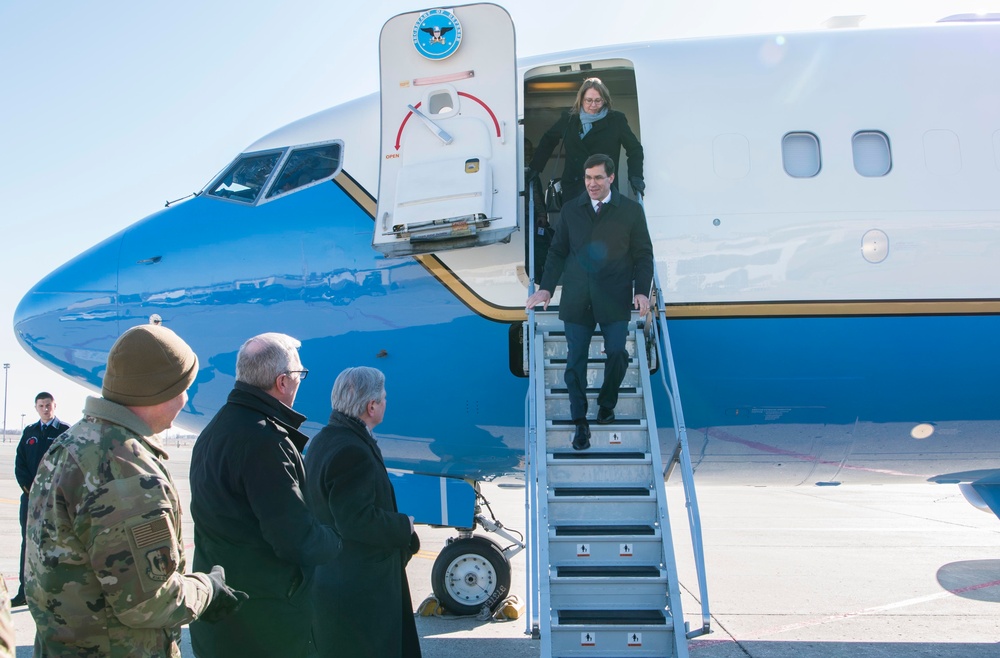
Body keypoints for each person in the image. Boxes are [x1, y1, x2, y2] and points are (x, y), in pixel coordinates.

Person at [26, 324, 247, 657]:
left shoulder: (72, 443)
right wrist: (208, 590)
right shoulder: (126, 470)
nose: (186, 400)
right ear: (161, 391)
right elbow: (149, 602)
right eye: (184, 387)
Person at [189, 333, 342, 658]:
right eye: (300, 375)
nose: (300, 383)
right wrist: (335, 539)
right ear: (282, 382)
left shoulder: (216, 429)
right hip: (262, 625)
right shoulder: (265, 441)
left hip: (221, 616)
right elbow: (294, 539)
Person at [525, 153, 654, 450]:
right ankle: (580, 422)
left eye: (597, 178)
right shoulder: (572, 209)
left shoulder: (631, 211)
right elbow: (558, 252)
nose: (591, 184)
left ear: (611, 178)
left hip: (614, 295)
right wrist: (546, 289)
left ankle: (607, 403)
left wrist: (642, 290)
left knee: (618, 353)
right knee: (575, 362)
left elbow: (643, 254)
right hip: (578, 295)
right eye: (587, 178)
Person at [303, 367, 422, 658]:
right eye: (383, 398)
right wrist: (402, 526)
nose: (385, 403)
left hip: (334, 582)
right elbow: (354, 520)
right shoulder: (351, 449)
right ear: (371, 406)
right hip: (359, 592)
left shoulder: (323, 440)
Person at [527, 77, 645, 204]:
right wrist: (536, 167)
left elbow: (635, 149)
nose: (593, 105)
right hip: (573, 189)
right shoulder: (569, 120)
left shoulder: (616, 120)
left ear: (605, 100)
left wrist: (635, 175)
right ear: (581, 100)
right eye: (588, 100)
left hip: (603, 189)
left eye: (598, 100)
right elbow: (548, 140)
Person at [12, 391, 69, 608]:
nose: (45, 409)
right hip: (30, 500)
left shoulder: (65, 432)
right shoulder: (30, 432)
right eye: (41, 405)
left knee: (56, 544)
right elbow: (20, 465)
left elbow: (69, 464)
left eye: (48, 405)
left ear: (55, 406)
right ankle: (24, 591)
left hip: (56, 500)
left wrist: (53, 490)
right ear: (36, 408)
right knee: (28, 544)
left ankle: (55, 593)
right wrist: (30, 490)